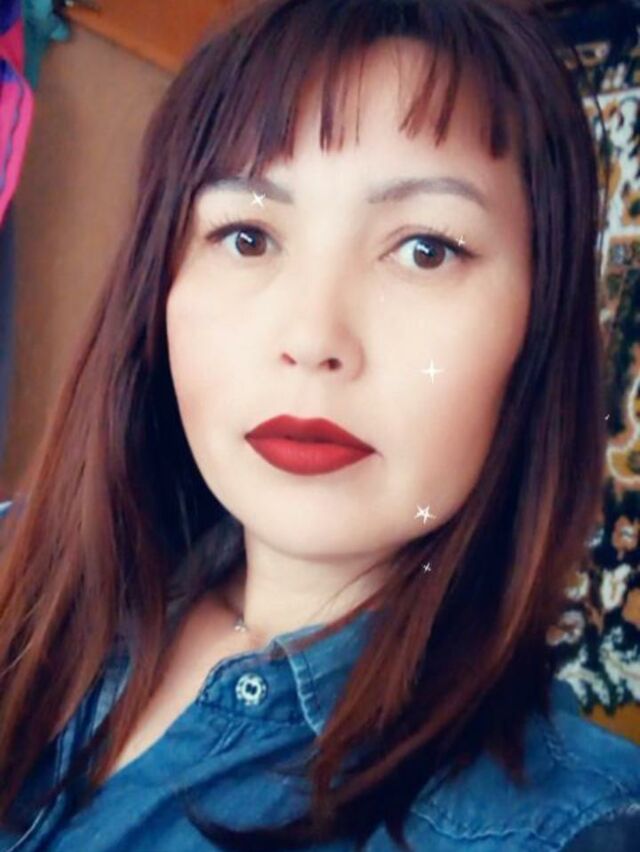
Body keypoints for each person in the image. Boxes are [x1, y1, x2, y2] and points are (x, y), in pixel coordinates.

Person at [0, 0, 638, 849]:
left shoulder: (551, 829)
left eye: (425, 249)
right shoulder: (24, 573)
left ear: (540, 325)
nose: (311, 337)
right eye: (247, 236)